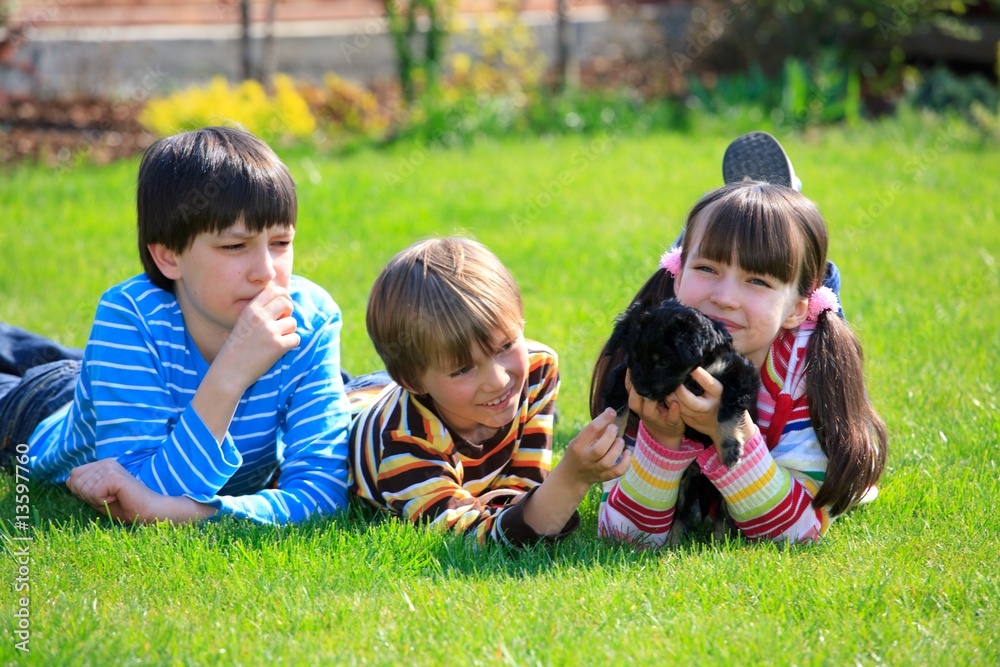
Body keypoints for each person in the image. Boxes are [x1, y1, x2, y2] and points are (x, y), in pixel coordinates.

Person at [0, 126, 352, 525]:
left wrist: (190, 514)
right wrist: (232, 372)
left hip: (125, 375)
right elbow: (140, 490)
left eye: (281, 243)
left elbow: (323, 493)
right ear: (169, 256)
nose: (266, 272)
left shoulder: (313, 318)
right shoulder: (128, 316)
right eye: (235, 246)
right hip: (39, 407)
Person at [591, 181, 888, 545]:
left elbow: (795, 534)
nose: (725, 298)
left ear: (796, 310)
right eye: (707, 269)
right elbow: (623, 536)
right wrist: (662, 439)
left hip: (786, 401)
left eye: (757, 280)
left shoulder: (805, 373)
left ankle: (815, 279)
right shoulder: (650, 352)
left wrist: (729, 431)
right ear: (678, 276)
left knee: (817, 301)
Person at [349, 237, 631, 547]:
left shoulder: (537, 370)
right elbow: (474, 540)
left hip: (380, 388)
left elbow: (521, 491)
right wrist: (572, 478)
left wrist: (517, 504)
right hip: (354, 409)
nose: (498, 381)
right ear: (414, 382)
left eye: (507, 345)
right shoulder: (403, 440)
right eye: (462, 369)